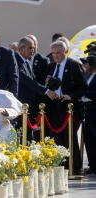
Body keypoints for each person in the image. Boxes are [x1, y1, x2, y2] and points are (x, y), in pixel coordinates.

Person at [45, 40, 88, 174]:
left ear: (65, 52)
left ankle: (73, 168)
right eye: (53, 53)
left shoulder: (74, 65)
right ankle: (59, 167)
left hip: (68, 107)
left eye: (58, 53)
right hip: (53, 105)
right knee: (55, 137)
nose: (56, 56)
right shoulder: (51, 66)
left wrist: (70, 96)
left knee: (69, 138)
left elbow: (83, 87)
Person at [15, 37, 58, 141]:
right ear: (21, 49)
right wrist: (46, 91)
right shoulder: (16, 62)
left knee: (29, 136)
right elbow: (27, 81)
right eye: (30, 48)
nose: (33, 50)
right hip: (21, 106)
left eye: (33, 48)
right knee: (22, 137)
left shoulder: (27, 62)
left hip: (30, 106)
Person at [81, 55, 96, 174]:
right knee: (89, 140)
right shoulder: (87, 76)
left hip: (94, 111)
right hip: (86, 112)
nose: (84, 66)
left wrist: (85, 92)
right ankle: (93, 165)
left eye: (86, 63)